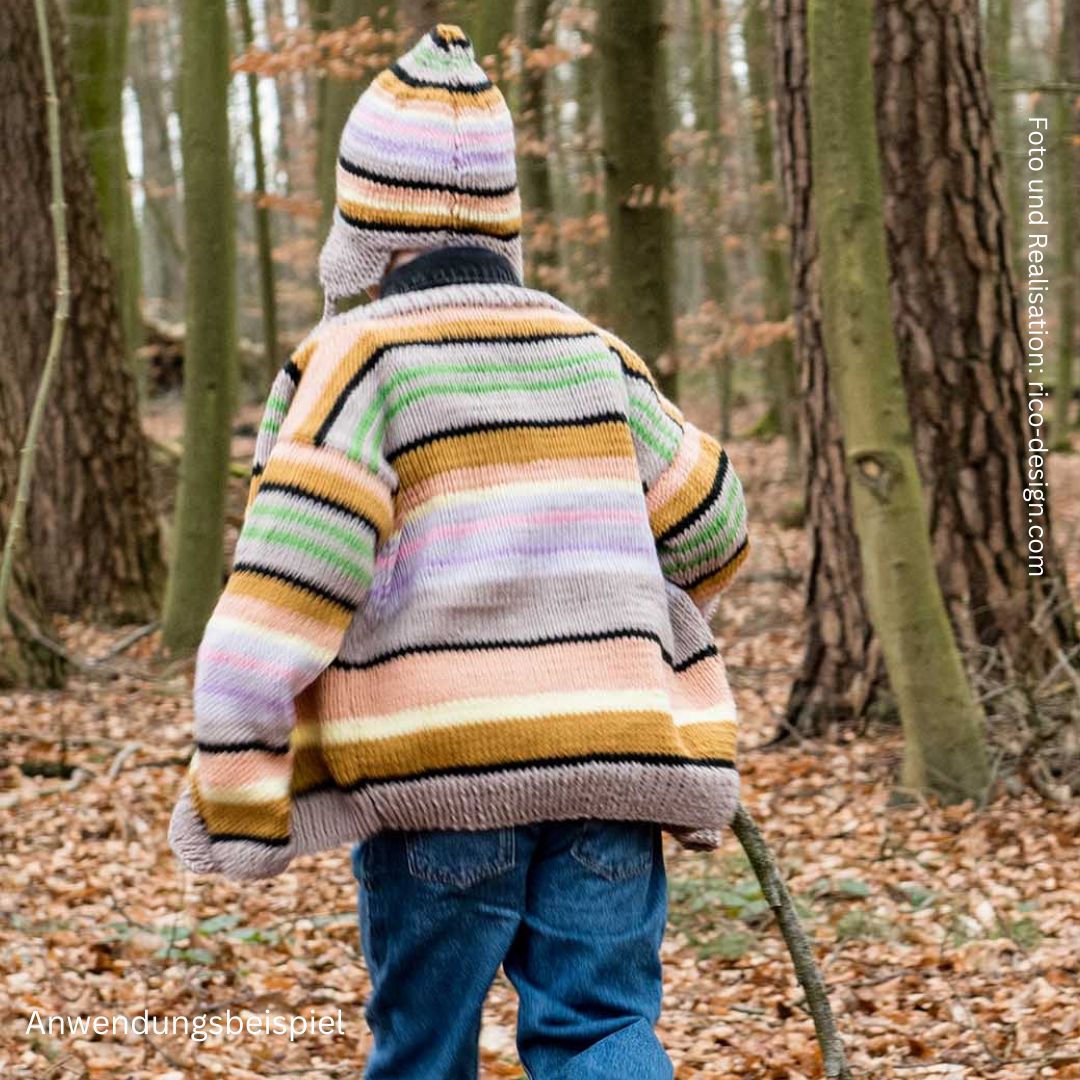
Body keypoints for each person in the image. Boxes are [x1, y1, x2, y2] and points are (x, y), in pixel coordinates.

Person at [170, 24, 749, 1079]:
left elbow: (289, 586)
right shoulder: (592, 353)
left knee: (424, 1052)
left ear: (365, 218)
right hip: (611, 772)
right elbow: (715, 526)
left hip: (442, 783)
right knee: (601, 1032)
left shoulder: (356, 364)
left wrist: (236, 786)